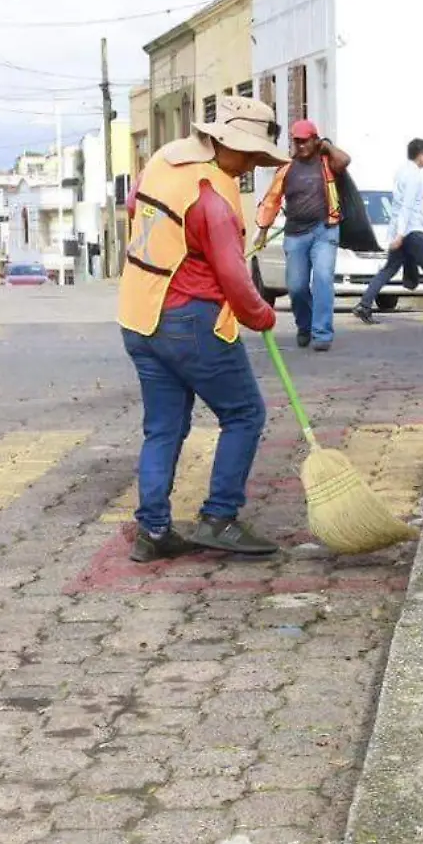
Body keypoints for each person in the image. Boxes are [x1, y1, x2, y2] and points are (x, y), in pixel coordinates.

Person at [118, 95, 287, 564]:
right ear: (227, 144)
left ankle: (152, 530)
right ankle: (221, 517)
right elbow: (233, 276)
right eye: (251, 153)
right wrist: (262, 315)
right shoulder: (213, 194)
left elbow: (135, 206)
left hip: (138, 314)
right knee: (245, 413)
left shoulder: (163, 159)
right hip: (189, 319)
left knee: (163, 427)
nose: (254, 163)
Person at [258, 119, 352, 351]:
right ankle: (305, 325)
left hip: (325, 230)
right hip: (295, 235)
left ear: (314, 140)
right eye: (296, 141)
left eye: (304, 141)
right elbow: (271, 201)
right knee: (297, 287)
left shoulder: (327, 163)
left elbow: (345, 161)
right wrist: (262, 230)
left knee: (322, 278)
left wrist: (327, 146)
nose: (299, 145)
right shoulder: (287, 169)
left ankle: (322, 334)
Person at [352, 138, 423, 325]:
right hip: (411, 230)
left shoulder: (401, 172)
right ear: (421, 155)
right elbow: (407, 206)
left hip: (401, 230)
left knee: (389, 269)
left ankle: (365, 304)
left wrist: (396, 233)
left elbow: (398, 206)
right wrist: (401, 234)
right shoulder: (413, 176)